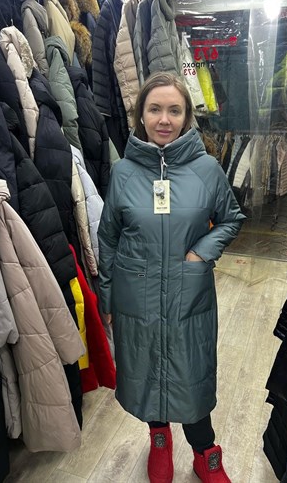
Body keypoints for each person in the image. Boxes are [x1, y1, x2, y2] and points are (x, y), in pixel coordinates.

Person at [97, 71, 245, 483]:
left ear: (186, 117)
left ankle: (205, 453)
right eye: (155, 109)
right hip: (135, 295)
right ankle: (159, 439)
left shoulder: (206, 169)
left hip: (188, 295)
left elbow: (231, 219)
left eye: (174, 110)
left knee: (190, 377)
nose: (164, 119)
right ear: (141, 115)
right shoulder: (124, 172)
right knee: (148, 370)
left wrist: (200, 253)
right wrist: (107, 299)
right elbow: (108, 238)